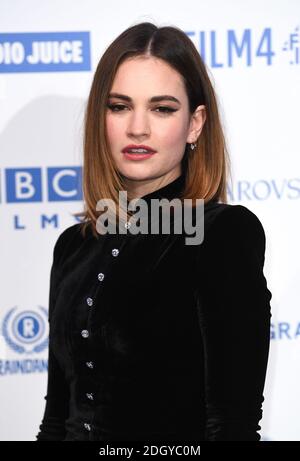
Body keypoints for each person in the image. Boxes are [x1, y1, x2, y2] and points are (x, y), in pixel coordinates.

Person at [36, 22, 272, 441]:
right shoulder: (73, 246)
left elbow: (232, 426)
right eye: (119, 106)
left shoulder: (221, 235)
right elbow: (56, 419)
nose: (138, 128)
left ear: (195, 123)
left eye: (162, 108)